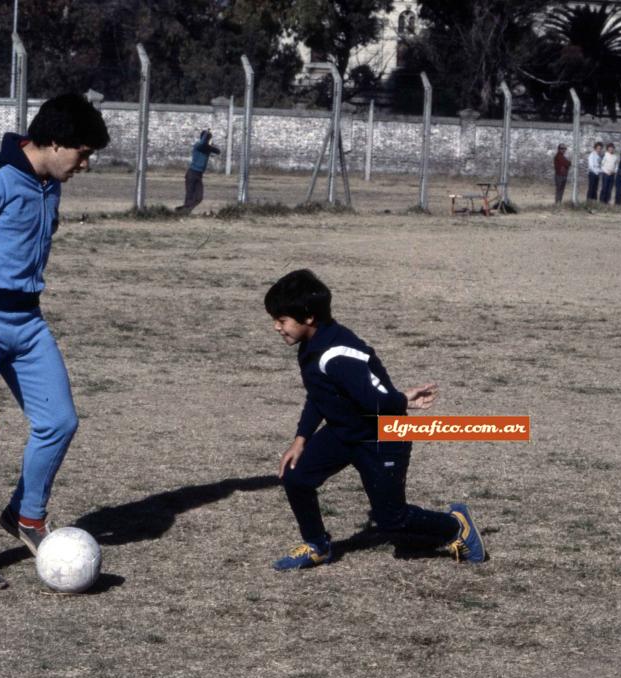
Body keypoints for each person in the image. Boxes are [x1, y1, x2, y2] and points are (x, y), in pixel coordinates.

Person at [0, 93, 111, 588]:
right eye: (82, 153)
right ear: (54, 143)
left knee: (59, 421)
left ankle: (26, 516)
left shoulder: (49, 182)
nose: (86, 164)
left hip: (28, 323)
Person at [265, 269, 486, 570]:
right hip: (346, 434)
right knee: (295, 476)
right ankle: (317, 545)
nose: (277, 327)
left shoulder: (337, 355)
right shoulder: (311, 346)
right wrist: (301, 439)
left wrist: (403, 399)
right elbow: (319, 395)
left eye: (282, 320)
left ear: (308, 318)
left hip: (383, 436)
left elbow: (377, 401)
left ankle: (456, 526)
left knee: (391, 519)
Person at [180, 129, 220, 213]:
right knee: (190, 196)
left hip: (199, 175)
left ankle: (183, 210)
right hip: (192, 173)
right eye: (209, 139)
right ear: (204, 139)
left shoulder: (207, 148)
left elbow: (218, 151)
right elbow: (202, 143)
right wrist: (207, 134)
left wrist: (211, 145)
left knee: (199, 197)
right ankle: (184, 212)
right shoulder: (198, 146)